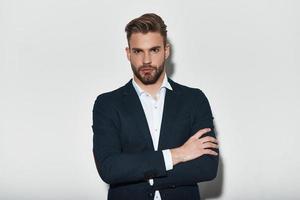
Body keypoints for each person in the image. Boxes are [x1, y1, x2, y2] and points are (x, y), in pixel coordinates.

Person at [92, 13, 219, 200]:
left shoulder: (194, 99)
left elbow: (207, 167)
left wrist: (140, 172)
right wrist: (179, 154)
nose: (146, 60)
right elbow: (110, 168)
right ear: (128, 53)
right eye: (138, 51)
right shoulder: (107, 104)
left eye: (154, 50)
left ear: (166, 51)